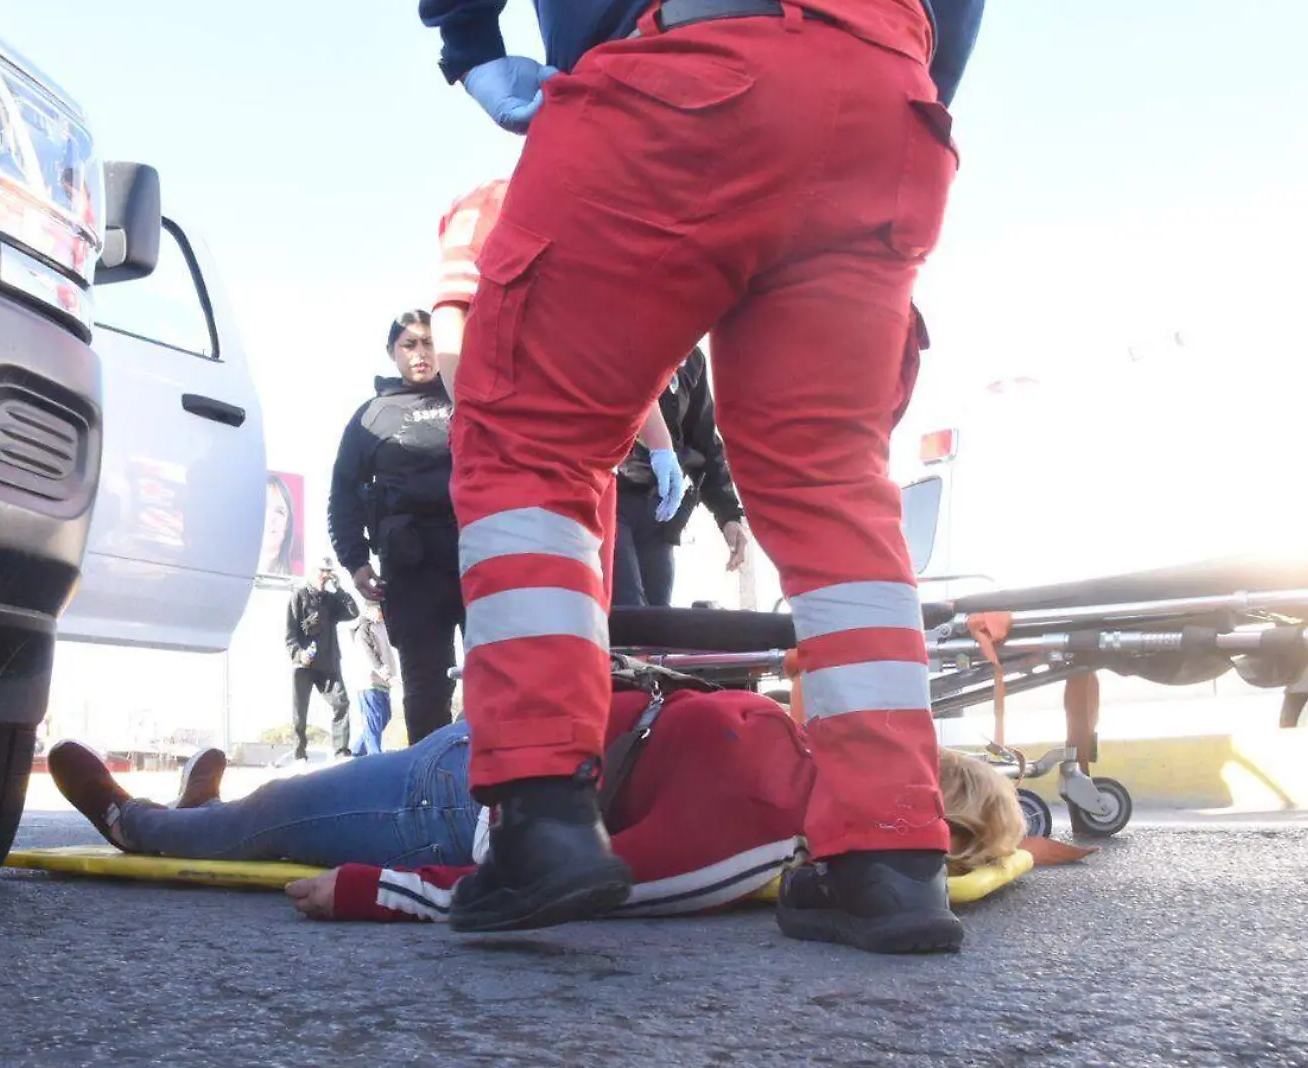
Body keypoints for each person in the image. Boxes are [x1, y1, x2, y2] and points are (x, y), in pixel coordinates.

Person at [417, 0, 987, 949]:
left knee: (531, 436)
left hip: (679, 73)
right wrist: (901, 82)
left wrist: (468, 42)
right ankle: (891, 860)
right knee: (835, 489)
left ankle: (542, 818)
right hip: (887, 100)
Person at [46, 685, 1023, 946]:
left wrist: (375, 891)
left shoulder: (767, 828)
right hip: (498, 745)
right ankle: (211, 813)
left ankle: (148, 827)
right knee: (285, 801)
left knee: (274, 819)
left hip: (452, 809)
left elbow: (593, 887)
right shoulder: (802, 756)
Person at [327, 312, 464, 743]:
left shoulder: (472, 397)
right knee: (426, 686)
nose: (420, 354)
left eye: (429, 343)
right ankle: (428, 793)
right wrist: (355, 562)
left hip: (478, 554)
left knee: (498, 673)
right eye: (409, 345)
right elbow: (343, 493)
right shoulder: (372, 416)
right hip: (411, 566)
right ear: (393, 352)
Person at [613, 346, 749, 608]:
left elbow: (705, 440)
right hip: (611, 498)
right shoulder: (620, 337)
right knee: (627, 606)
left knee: (658, 615)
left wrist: (729, 514)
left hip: (659, 510)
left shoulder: (692, 360)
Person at [285, 561, 358, 761]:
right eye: (322, 571)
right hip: (304, 666)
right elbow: (290, 636)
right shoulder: (298, 597)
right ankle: (299, 755)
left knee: (341, 704)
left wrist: (340, 589)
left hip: (329, 665)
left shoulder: (331, 600)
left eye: (329, 572)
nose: (326, 575)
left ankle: (341, 752)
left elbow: (353, 612)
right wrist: (300, 655)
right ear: (312, 572)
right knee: (299, 714)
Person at [349, 603, 398, 756]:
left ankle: (357, 751)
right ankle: (374, 756)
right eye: (379, 610)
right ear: (370, 610)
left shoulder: (382, 626)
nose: (382, 613)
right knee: (374, 719)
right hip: (369, 682)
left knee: (384, 716)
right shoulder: (364, 629)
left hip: (383, 682)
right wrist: (387, 675)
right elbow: (370, 657)